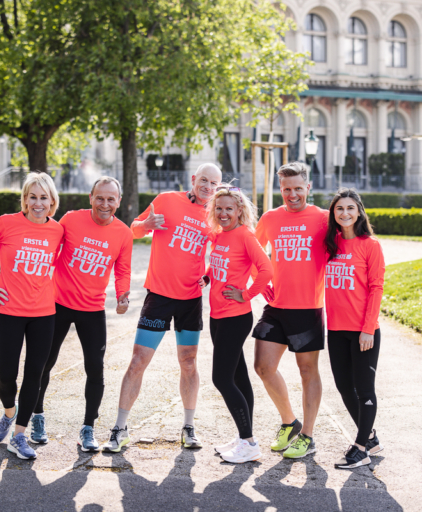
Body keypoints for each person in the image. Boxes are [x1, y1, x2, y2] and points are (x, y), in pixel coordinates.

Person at [102, 163, 222, 452]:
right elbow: (133, 229)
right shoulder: (167, 200)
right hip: (158, 297)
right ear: (193, 179)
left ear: (217, 188)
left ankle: (189, 427)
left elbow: (222, 251)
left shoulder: (215, 215)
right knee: (138, 361)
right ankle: (120, 428)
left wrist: (207, 274)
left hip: (191, 300)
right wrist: (146, 226)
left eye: (213, 184)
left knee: (189, 363)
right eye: (203, 180)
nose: (207, 186)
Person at [0, 173, 64, 460]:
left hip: (44, 313)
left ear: (52, 201)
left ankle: (19, 436)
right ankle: (10, 413)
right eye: (32, 197)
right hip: (9, 311)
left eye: (43, 197)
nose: (38, 203)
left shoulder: (58, 231)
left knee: (35, 375)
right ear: (24, 200)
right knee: (6, 377)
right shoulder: (7, 223)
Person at [32, 177, 133, 451]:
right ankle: (36, 416)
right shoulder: (71, 220)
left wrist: (122, 295)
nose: (105, 204)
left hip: (92, 308)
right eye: (100, 198)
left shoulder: (123, 233)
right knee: (44, 362)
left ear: (118, 202)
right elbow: (48, 248)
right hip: (58, 304)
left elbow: (123, 270)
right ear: (91, 197)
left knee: (95, 369)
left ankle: (88, 427)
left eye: (111, 199)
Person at [251, 161, 329, 459]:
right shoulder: (270, 218)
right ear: (279, 189)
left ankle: (308, 436)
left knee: (308, 371)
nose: (292, 194)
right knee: (263, 367)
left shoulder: (323, 218)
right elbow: (250, 251)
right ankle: (290, 422)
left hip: (308, 308)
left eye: (298, 188)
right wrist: (259, 283)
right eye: (286, 189)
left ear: (308, 187)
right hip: (276, 306)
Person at [200, 186, 272, 463]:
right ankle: (244, 437)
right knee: (239, 377)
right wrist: (207, 278)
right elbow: (218, 266)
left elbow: (266, 269)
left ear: (240, 210)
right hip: (217, 316)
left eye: (229, 208)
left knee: (221, 378)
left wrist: (247, 294)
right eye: (219, 208)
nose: (223, 213)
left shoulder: (244, 235)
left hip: (235, 316)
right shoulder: (219, 236)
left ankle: (250, 443)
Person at [324, 188, 385, 469]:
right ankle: (370, 436)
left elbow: (376, 288)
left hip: (363, 330)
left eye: (350, 208)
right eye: (339, 209)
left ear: (359, 211)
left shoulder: (370, 245)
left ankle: (361, 447)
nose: (345, 213)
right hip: (336, 329)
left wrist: (368, 328)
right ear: (333, 214)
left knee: (364, 389)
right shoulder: (329, 244)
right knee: (343, 386)